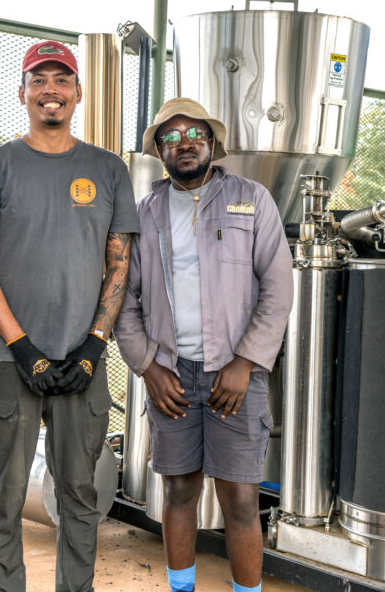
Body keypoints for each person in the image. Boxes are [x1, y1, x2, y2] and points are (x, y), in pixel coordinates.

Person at [0, 40, 140, 592]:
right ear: (22, 93)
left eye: (61, 80)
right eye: (39, 80)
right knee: (1, 500)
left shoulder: (108, 169)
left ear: (78, 93)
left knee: (81, 499)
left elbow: (119, 265)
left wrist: (92, 346)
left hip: (81, 364)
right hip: (7, 362)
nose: (50, 90)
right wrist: (22, 348)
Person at [114, 97, 293, 592]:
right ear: (159, 152)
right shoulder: (144, 214)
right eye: (170, 138)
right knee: (179, 492)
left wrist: (245, 362)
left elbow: (278, 288)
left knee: (239, 498)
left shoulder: (251, 199)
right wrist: (148, 367)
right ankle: (182, 588)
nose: (184, 143)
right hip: (171, 375)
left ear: (211, 142)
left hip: (235, 376)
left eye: (194, 134)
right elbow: (124, 303)